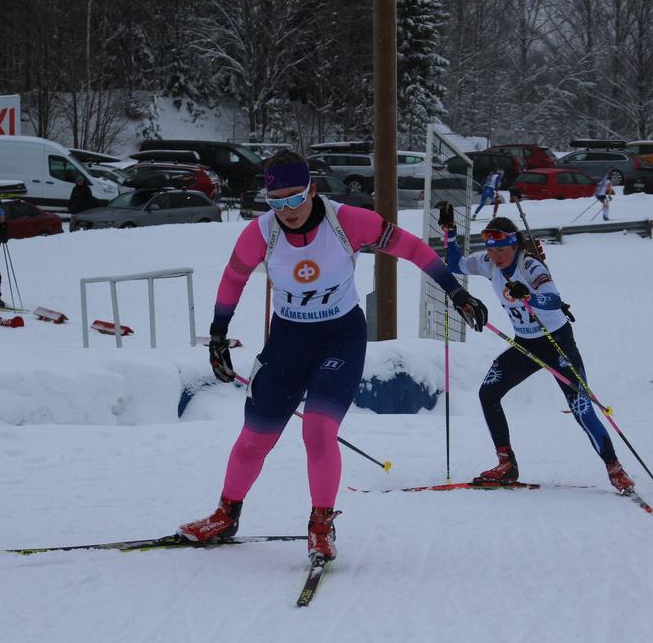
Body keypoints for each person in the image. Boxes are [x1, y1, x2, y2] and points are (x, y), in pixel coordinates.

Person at [177, 150, 488, 563]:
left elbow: (411, 248)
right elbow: (233, 277)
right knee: (254, 438)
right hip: (287, 340)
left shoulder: (347, 222)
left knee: (318, 431)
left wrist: (456, 291)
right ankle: (225, 515)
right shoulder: (261, 232)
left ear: (312, 190)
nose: (287, 210)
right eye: (276, 201)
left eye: (295, 198)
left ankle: (321, 525)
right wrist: (218, 334)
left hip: (340, 338)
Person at [439, 207, 636, 496]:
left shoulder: (530, 266)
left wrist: (530, 296)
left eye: (502, 249)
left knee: (581, 408)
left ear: (514, 245)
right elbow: (456, 264)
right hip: (526, 344)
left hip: (556, 342)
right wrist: (450, 233)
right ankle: (506, 464)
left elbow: (554, 299)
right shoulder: (488, 263)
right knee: (488, 393)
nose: (496, 256)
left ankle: (615, 468)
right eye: (491, 249)